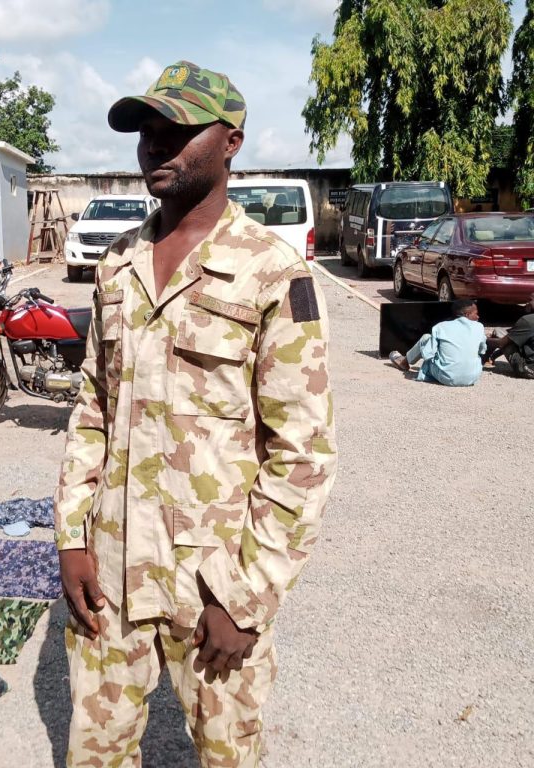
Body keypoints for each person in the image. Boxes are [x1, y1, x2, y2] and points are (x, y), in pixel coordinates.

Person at [53, 60, 337, 767]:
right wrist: (71, 538)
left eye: (178, 129)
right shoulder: (118, 263)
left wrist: (246, 596)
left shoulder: (272, 271)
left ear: (231, 142)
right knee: (96, 753)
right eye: (146, 130)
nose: (156, 144)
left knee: (226, 756)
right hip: (110, 573)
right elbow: (93, 404)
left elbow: (301, 452)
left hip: (211, 578)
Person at [388, 299, 487, 386]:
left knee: (426, 338)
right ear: (467, 314)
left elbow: (428, 354)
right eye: (476, 313)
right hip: (472, 377)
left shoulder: (441, 327)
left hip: (446, 377)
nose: (478, 317)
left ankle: (404, 362)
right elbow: (482, 351)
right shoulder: (479, 327)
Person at [483, 293, 534, 379]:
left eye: (530, 300)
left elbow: (501, 343)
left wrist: (483, 339)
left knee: (499, 332)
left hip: (529, 369)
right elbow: (513, 337)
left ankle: (483, 360)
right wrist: (495, 355)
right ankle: (489, 358)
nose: (527, 303)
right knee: (512, 337)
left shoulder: (528, 320)